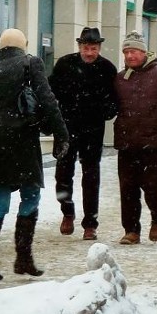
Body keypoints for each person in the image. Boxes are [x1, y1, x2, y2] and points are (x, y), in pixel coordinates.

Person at [0, 28, 69, 282]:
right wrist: (61, 134)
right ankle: (23, 258)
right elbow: (48, 100)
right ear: (23, 45)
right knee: (30, 194)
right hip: (23, 140)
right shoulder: (30, 63)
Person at [113, 31, 157, 244]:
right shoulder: (119, 78)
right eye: (126, 52)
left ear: (144, 52)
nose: (129, 56)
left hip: (151, 144)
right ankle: (132, 230)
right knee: (128, 189)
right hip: (126, 143)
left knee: (152, 186)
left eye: (133, 51)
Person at [49, 27, 118, 241]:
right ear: (79, 47)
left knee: (91, 176)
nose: (89, 53)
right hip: (67, 128)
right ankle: (67, 212)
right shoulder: (65, 64)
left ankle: (90, 223)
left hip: (93, 130)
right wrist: (53, 119)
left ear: (99, 48)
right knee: (63, 174)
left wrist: (107, 111)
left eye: (94, 48)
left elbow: (114, 98)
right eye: (86, 48)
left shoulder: (107, 68)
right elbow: (51, 93)